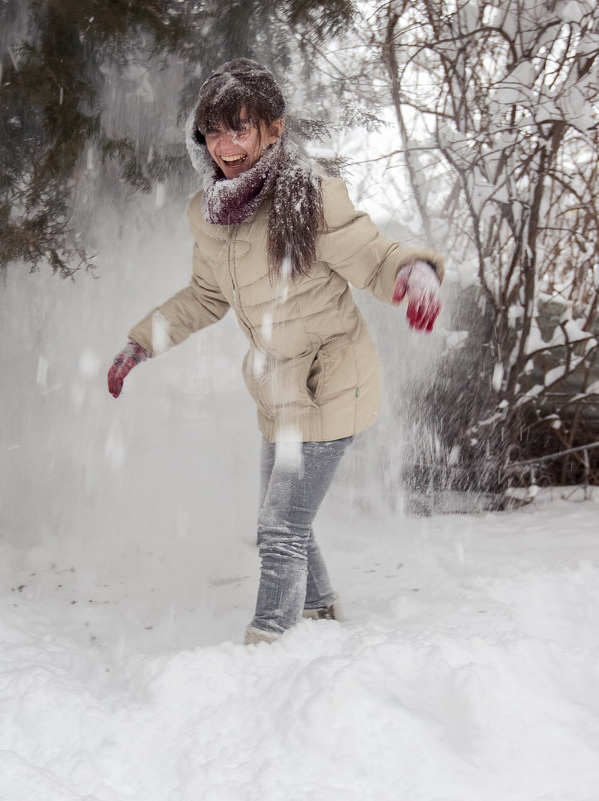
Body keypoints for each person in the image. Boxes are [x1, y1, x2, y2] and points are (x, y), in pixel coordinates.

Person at [106, 58, 444, 645]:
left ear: (273, 128)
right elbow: (205, 297)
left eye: (241, 127)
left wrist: (412, 274)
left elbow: (371, 255)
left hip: (333, 379)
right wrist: (141, 342)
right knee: (282, 523)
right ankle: (318, 614)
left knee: (281, 526)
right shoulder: (208, 215)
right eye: (213, 130)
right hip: (277, 388)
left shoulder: (310, 195)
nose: (226, 144)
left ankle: (269, 646)